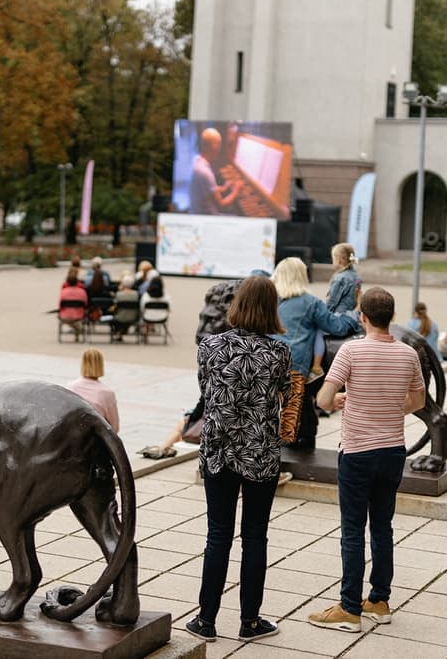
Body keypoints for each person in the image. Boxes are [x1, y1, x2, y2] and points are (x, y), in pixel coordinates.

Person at [309, 287, 425, 633]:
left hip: (358, 452)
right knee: (382, 527)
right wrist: (391, 406)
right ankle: (379, 601)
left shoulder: (351, 351)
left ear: (362, 316)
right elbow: (417, 401)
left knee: (352, 531)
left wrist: (346, 398)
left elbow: (325, 400)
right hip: (392, 453)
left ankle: (348, 607)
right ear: (390, 316)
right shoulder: (408, 355)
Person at [184, 275, 290, 644]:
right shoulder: (279, 352)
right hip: (260, 453)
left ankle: (206, 620)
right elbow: (284, 396)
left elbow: (205, 391)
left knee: (218, 536)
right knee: (256, 538)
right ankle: (250, 621)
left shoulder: (210, 346)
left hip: (218, 452)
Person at [272, 257, 358, 444]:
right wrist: (352, 315)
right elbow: (336, 327)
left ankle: (300, 439)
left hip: (266, 360)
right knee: (291, 413)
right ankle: (288, 453)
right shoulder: (310, 302)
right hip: (294, 363)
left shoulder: (270, 300)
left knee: (279, 410)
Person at [310, 243, 362, 376]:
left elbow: (331, 304)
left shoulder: (340, 278)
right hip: (352, 317)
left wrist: (319, 313)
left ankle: (316, 367)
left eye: (333, 258)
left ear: (339, 260)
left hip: (341, 318)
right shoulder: (355, 275)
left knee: (317, 331)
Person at [189, 127, 241, 215]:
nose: (219, 149)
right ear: (214, 147)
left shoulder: (196, 160)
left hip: (196, 210)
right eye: (219, 145)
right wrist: (236, 190)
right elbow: (222, 204)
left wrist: (223, 188)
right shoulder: (206, 173)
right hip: (208, 217)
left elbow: (207, 189)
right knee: (238, 216)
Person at [66, 349, 119, 433]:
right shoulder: (107, 393)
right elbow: (114, 427)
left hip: (73, 437)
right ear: (101, 365)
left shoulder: (71, 387)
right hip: (96, 439)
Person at [58, 269, 89, 341]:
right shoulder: (82, 292)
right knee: (76, 319)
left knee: (68, 317)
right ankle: (77, 328)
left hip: (65, 315)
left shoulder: (64, 292)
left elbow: (60, 305)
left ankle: (76, 328)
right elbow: (85, 304)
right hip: (79, 315)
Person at [111, 274, 140, 341]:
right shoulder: (136, 294)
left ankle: (118, 333)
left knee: (119, 315)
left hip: (120, 317)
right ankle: (121, 333)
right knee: (127, 315)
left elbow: (115, 307)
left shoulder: (119, 294)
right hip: (133, 317)